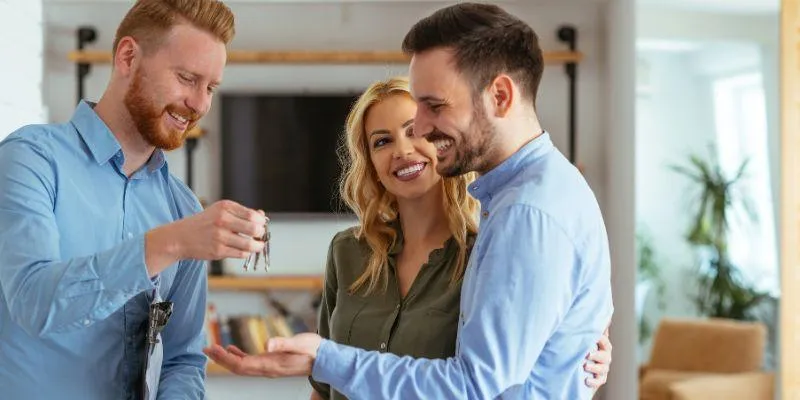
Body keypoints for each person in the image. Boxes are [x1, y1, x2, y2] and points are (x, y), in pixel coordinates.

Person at [206, 3, 614, 399]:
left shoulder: (525, 214)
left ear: (500, 96)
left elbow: (472, 386)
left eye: (434, 106)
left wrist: (325, 358)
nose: (419, 130)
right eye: (382, 141)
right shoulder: (513, 201)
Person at [0, 1, 268, 399]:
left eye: (210, 88)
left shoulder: (184, 209)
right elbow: (34, 302)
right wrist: (168, 244)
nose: (200, 104)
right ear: (128, 57)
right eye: (187, 78)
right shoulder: (31, 158)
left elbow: (182, 359)